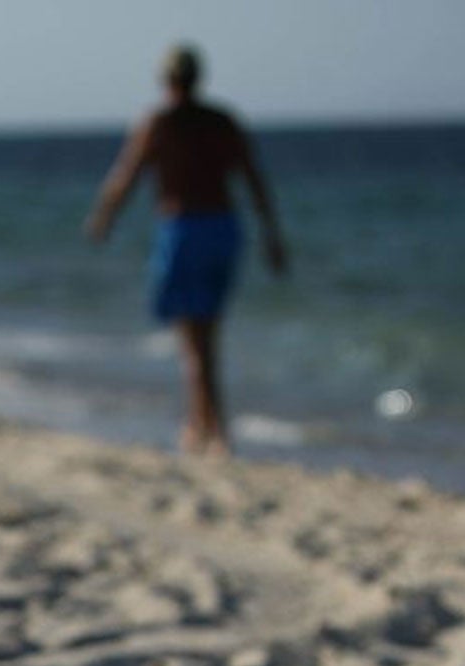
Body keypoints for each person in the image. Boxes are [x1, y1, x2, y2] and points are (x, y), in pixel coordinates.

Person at [86, 44, 288, 456]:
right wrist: (272, 234)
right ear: (199, 77)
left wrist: (104, 218)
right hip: (223, 228)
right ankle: (208, 423)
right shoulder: (222, 122)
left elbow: (126, 176)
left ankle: (206, 428)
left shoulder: (159, 123)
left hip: (184, 229)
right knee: (208, 334)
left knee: (192, 340)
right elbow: (253, 180)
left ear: (166, 80)